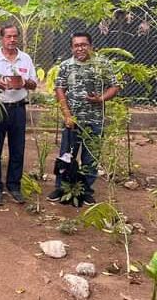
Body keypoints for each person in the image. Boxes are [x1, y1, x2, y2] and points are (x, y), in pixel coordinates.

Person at [47, 31, 119, 205]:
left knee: (91, 156)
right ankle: (62, 187)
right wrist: (67, 115)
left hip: (94, 119)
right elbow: (59, 89)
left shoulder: (102, 64)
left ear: (91, 46)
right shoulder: (66, 66)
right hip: (73, 120)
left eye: (83, 44)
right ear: (72, 48)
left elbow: (115, 86)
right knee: (66, 154)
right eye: (76, 45)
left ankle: (85, 190)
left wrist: (100, 98)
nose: (80, 48)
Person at [0, 23, 37, 205]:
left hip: (18, 108)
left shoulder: (25, 58)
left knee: (17, 149)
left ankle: (14, 186)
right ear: (1, 39)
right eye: (8, 37)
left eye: (14, 36)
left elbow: (34, 84)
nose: (12, 40)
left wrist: (24, 83)